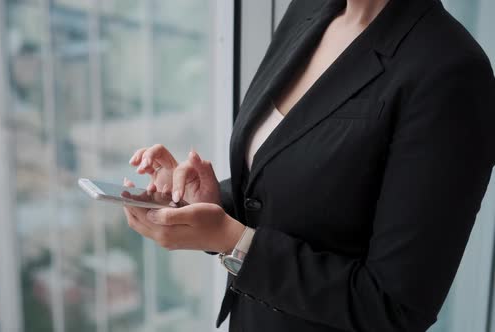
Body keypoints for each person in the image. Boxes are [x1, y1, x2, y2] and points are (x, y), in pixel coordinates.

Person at [122, 0, 495, 330]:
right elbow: (303, 189)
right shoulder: (310, 9)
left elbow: (394, 306)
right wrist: (212, 201)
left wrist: (234, 242)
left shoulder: (450, 71)